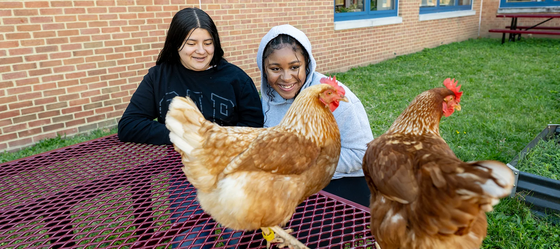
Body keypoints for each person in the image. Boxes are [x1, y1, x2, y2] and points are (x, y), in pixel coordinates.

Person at [117, 7, 263, 248]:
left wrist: (219, 141)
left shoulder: (236, 78)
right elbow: (129, 125)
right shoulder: (159, 77)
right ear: (176, 43)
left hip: (234, 176)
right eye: (191, 42)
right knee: (189, 243)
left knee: (241, 242)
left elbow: (255, 126)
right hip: (185, 177)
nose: (201, 50)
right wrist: (183, 136)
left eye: (208, 42)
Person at [257, 24, 374, 207]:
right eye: (276, 69)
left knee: (300, 230)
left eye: (295, 67)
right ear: (264, 69)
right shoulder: (268, 99)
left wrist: (307, 163)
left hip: (343, 181)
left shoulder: (333, 97)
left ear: (307, 65)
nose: (286, 78)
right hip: (295, 181)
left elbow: (362, 154)